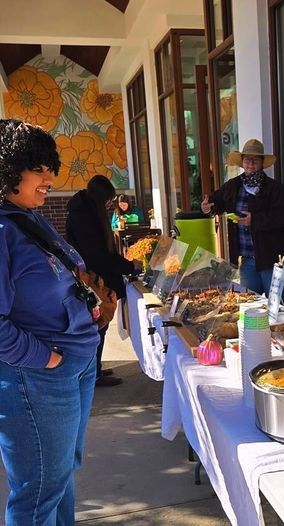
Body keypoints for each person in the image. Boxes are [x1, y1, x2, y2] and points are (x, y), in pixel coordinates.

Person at [0, 119, 100, 524]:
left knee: (58, 479)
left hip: (72, 366)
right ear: (7, 170)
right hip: (37, 378)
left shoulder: (27, 216)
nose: (49, 177)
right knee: (38, 491)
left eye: (49, 166)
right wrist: (47, 360)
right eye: (38, 167)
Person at [66, 175, 141, 386]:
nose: (109, 205)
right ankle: (93, 374)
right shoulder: (84, 216)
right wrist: (129, 266)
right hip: (93, 280)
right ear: (100, 198)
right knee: (97, 326)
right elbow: (99, 256)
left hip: (96, 276)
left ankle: (95, 369)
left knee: (100, 327)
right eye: (108, 201)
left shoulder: (85, 210)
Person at [201, 139, 284, 298]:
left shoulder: (274, 188)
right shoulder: (233, 185)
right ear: (242, 162)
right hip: (247, 262)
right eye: (247, 159)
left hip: (274, 260)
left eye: (255, 159)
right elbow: (216, 201)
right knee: (250, 309)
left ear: (262, 163)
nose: (251, 163)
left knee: (277, 311)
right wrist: (207, 207)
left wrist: (255, 220)